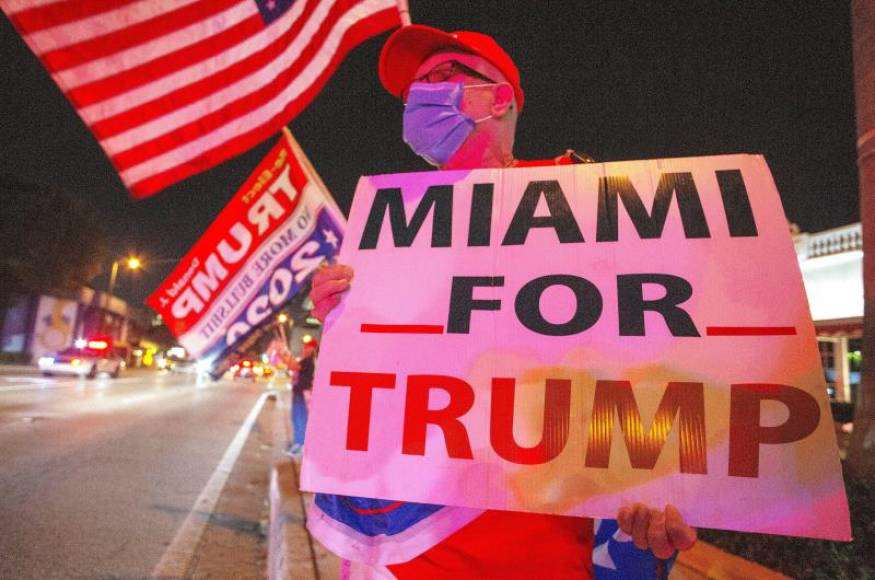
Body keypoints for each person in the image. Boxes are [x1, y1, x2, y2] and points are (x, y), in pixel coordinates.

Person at [307, 24, 697, 578]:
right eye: (413, 89)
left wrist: (660, 487)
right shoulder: (390, 229)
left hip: (538, 552)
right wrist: (344, 324)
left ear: (500, 98)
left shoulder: (584, 198)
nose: (422, 96)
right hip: (401, 557)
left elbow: (649, 355)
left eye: (444, 76)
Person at [290, 336, 318, 455]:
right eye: (304, 346)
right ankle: (298, 443)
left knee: (300, 418)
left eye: (308, 347)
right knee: (296, 417)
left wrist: (282, 354)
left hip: (302, 394)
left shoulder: (308, 361)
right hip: (299, 393)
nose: (304, 349)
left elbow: (293, 366)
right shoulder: (305, 360)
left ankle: (301, 444)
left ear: (312, 349)